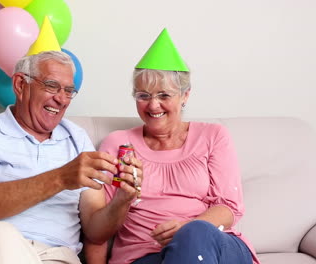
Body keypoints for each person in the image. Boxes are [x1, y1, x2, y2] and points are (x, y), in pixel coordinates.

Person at [0, 50, 143, 264]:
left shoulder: (77, 139)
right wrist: (60, 178)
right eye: (51, 86)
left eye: (68, 91)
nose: (61, 99)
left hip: (54, 256)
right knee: (2, 235)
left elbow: (96, 231)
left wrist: (122, 200)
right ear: (21, 85)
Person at [84, 29, 260, 264]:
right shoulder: (119, 144)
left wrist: (187, 228)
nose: (153, 105)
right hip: (145, 256)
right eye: (143, 95)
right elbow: (96, 234)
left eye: (164, 95)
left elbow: (229, 207)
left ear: (185, 96)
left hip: (213, 248)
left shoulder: (213, 136)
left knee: (195, 233)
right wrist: (123, 199)